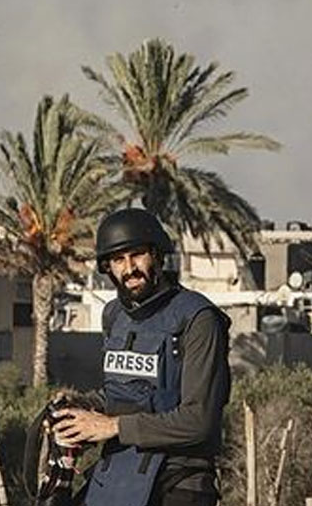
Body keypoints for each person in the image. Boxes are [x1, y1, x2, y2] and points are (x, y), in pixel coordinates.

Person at [52, 208, 231, 506]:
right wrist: (81, 410)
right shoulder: (113, 316)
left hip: (178, 479)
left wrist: (112, 427)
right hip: (118, 472)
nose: (130, 268)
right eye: (118, 260)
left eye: (137, 255)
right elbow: (123, 394)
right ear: (107, 267)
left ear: (157, 256)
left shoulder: (199, 319)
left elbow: (199, 421)